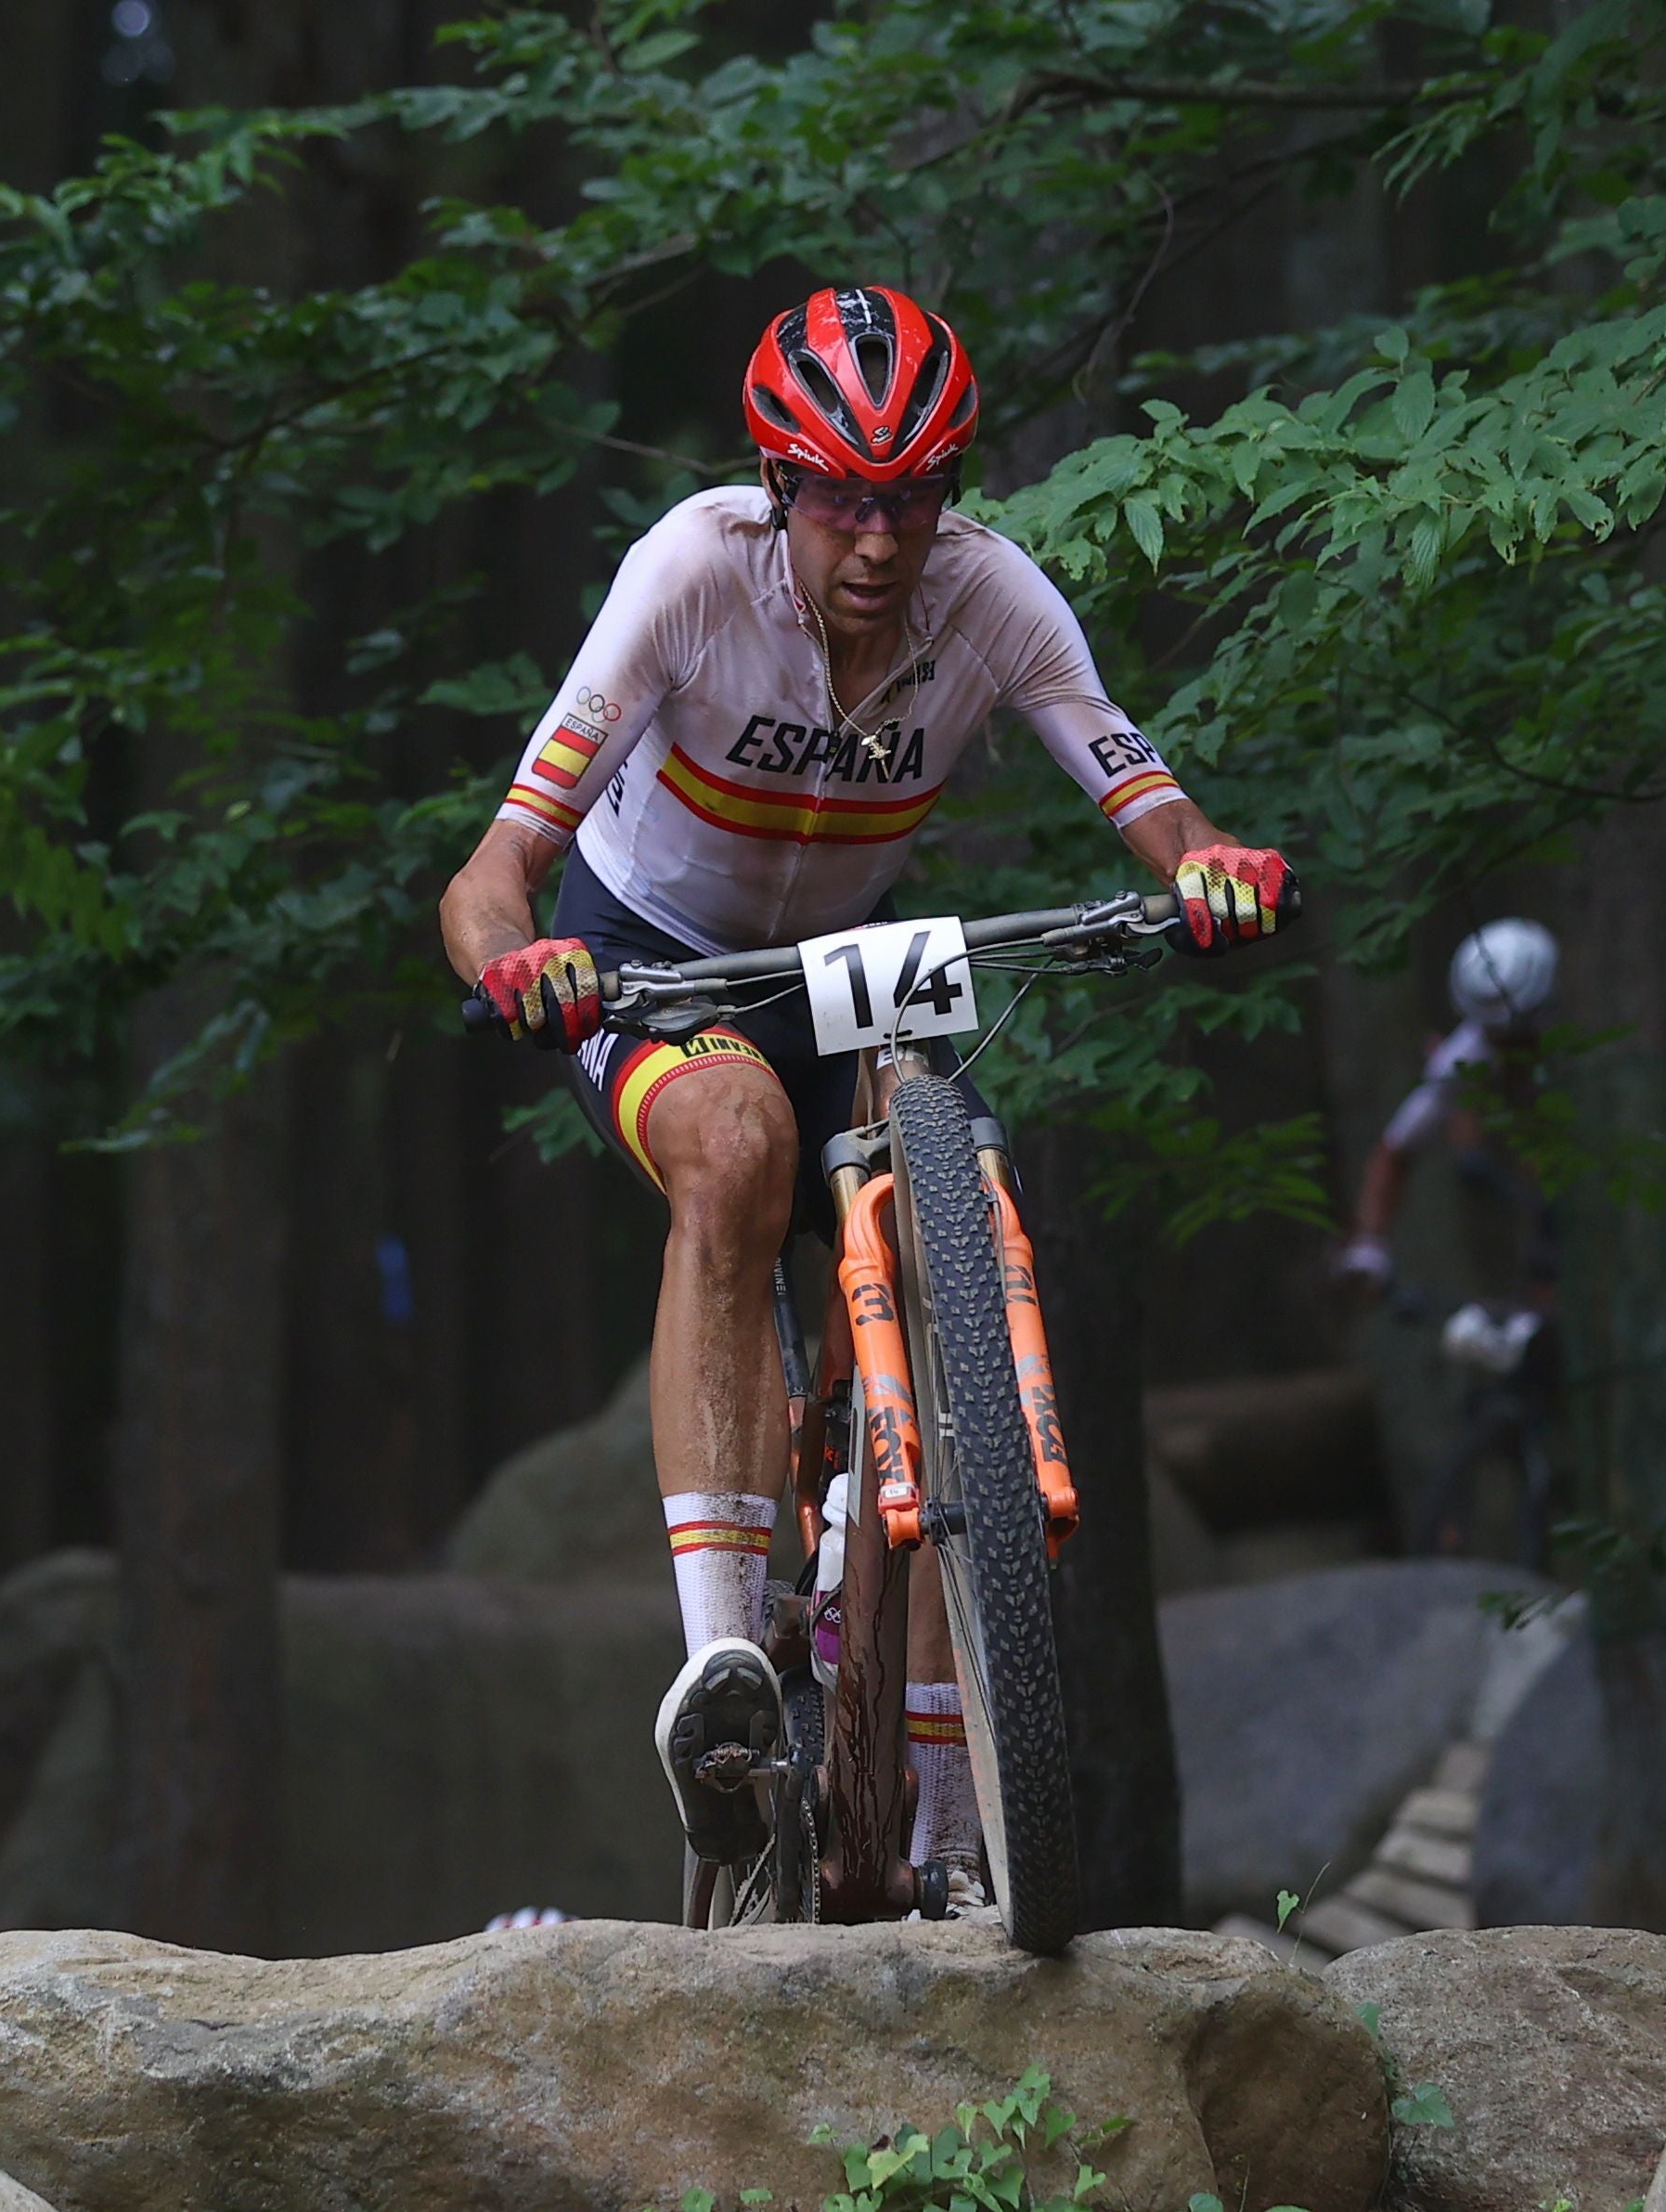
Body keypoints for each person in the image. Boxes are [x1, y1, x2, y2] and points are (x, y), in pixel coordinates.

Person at [436, 284, 1294, 1883]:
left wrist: (1209, 867)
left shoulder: (991, 598)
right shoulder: (689, 574)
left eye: (913, 493)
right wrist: (517, 962)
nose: (881, 539)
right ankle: (719, 1669)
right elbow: (493, 871)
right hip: (652, 953)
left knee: (941, 1178)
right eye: (840, 492)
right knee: (740, 1144)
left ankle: (951, 1797)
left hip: (846, 961)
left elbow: (1141, 786)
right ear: (779, 484)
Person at [1334, 921, 1564, 1560]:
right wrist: (1370, 1248)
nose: (1504, 1046)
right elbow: (1396, 1150)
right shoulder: (1468, 1056)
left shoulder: (1580, 1049)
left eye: (1514, 1034)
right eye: (1493, 1034)